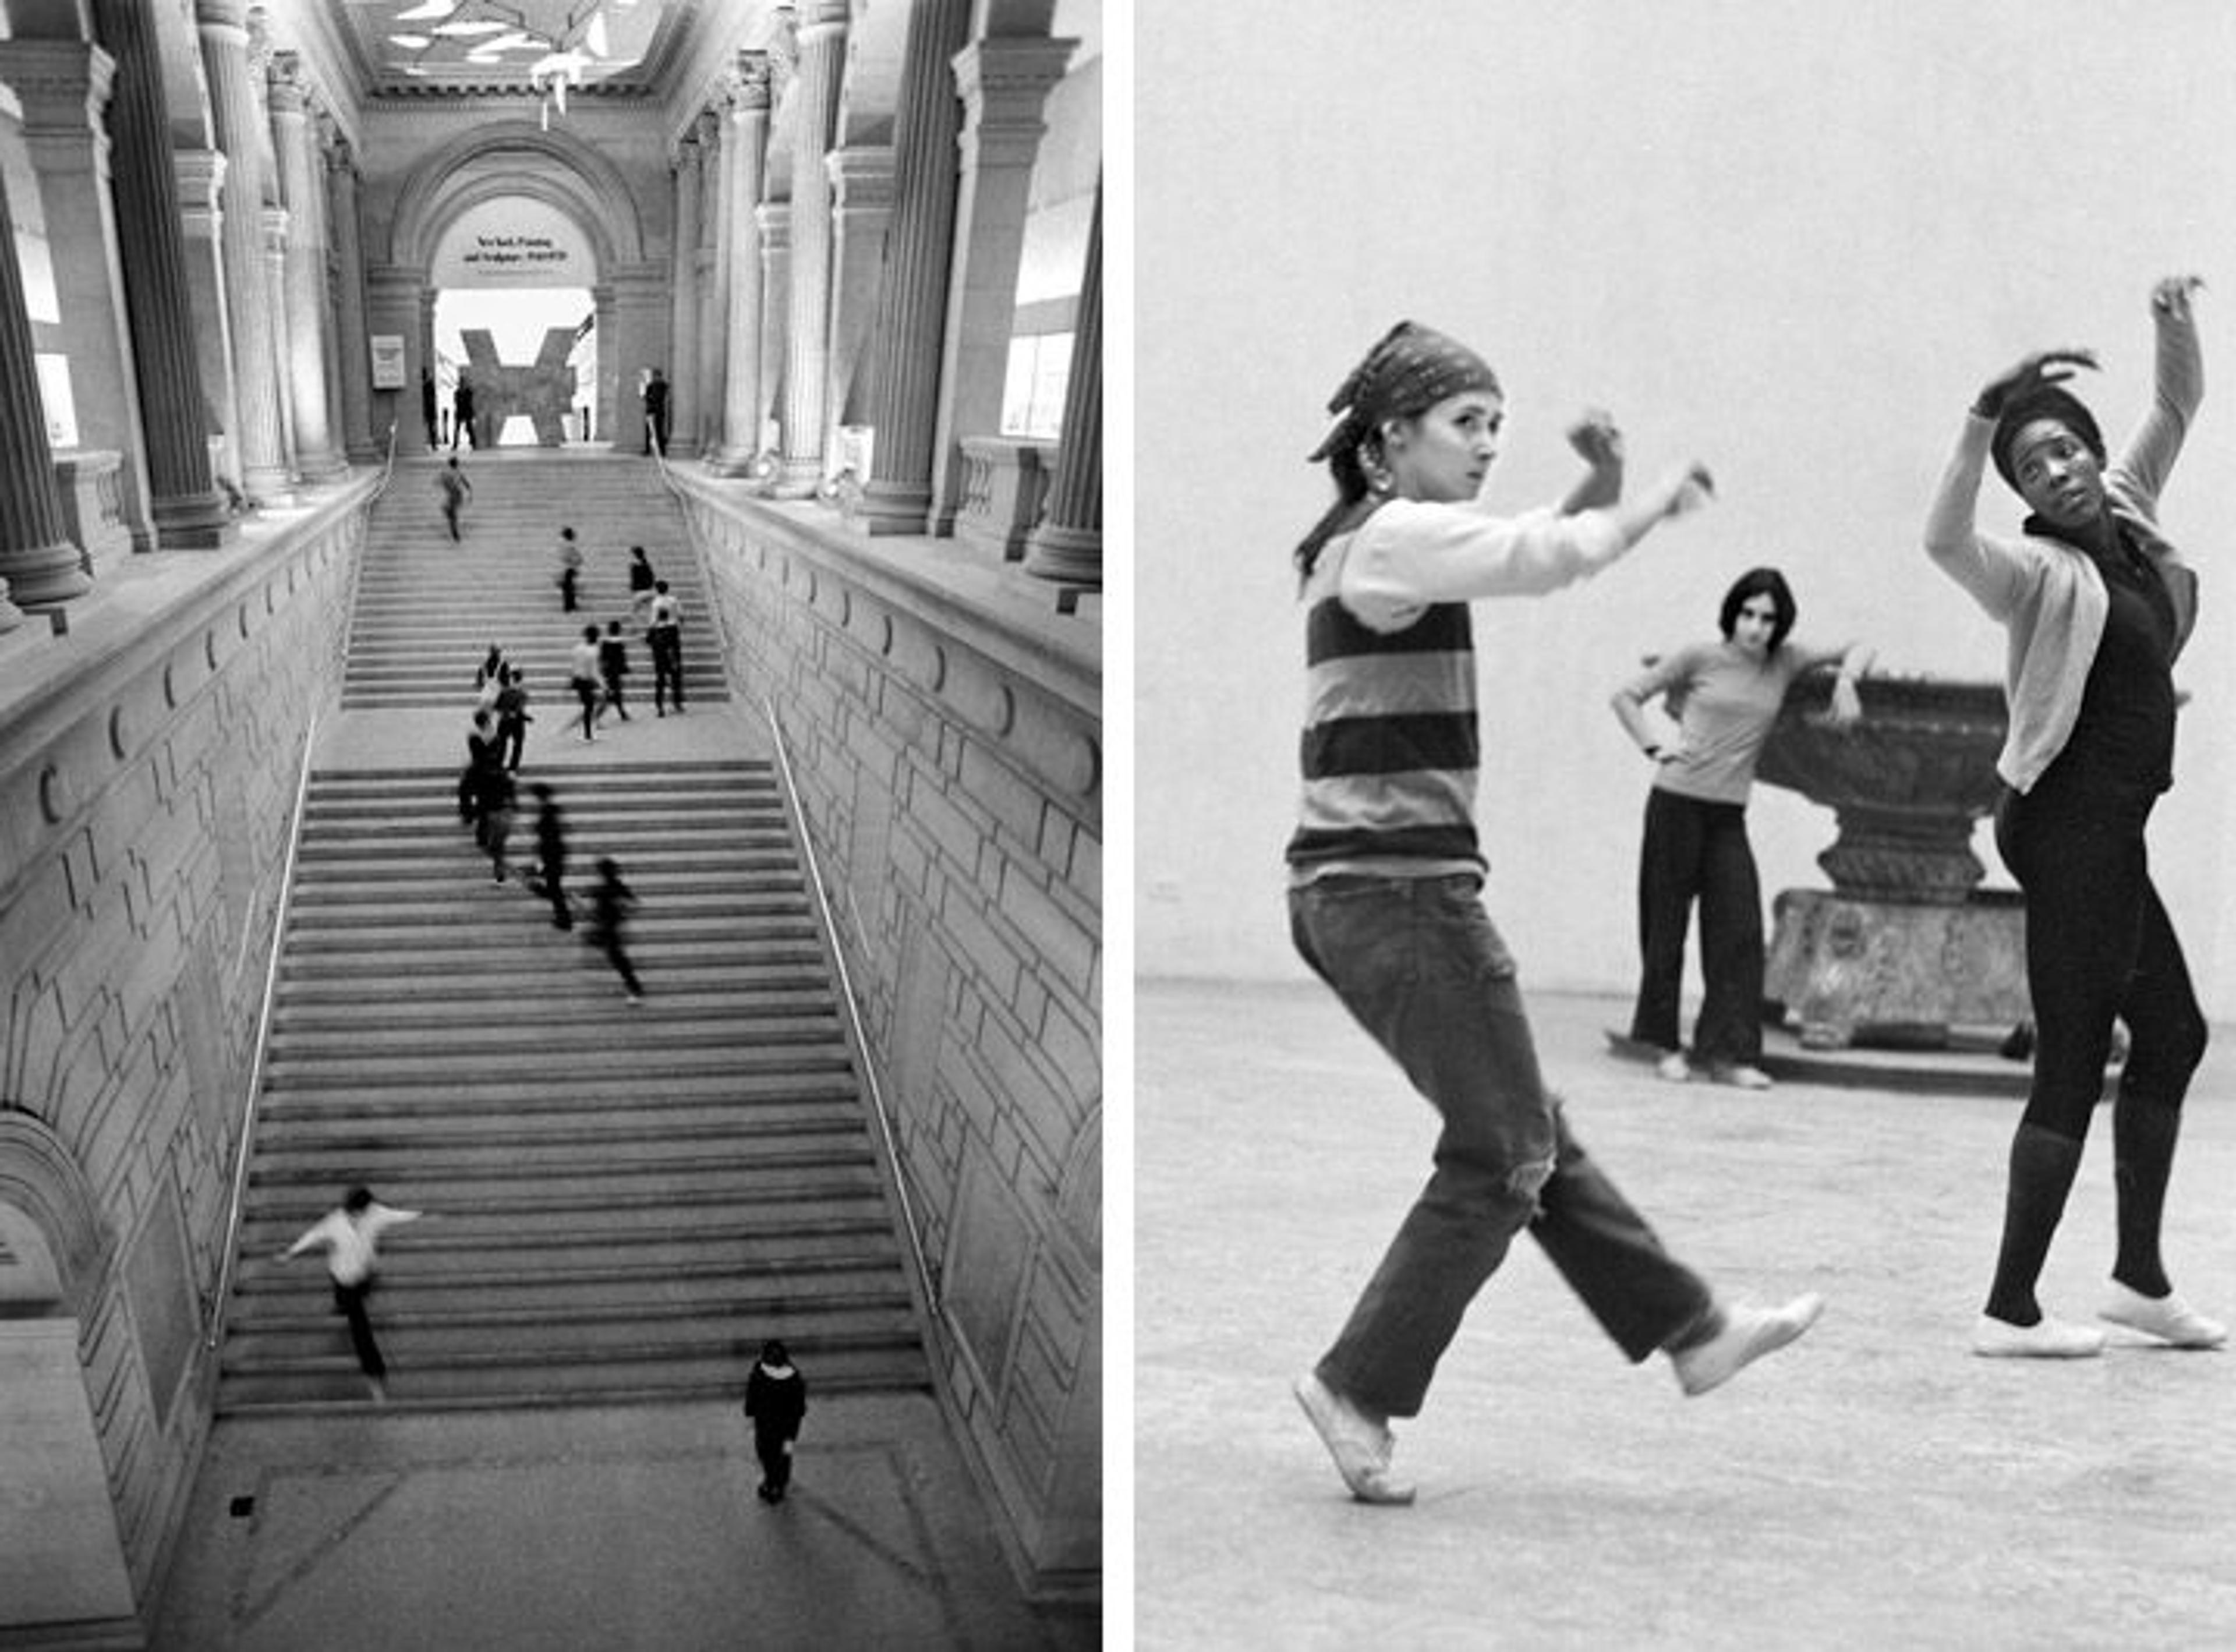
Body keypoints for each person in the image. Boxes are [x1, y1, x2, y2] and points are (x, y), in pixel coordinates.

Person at [1283, 320, 1821, 1506]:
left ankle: (1693, 1328)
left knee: (1530, 1136)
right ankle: (1357, 1383)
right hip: (1399, 894)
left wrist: (1602, 489)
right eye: (1466, 424)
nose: (1485, 445)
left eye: (1496, 426)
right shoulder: (1390, 540)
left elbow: (1520, 545)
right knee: (1504, 1152)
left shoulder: (1367, 546)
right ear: (1387, 440)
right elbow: (1536, 554)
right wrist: (1646, 504)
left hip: (1366, 892)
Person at [1925, 274, 2223, 1360]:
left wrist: (2168, 321)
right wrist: (1980, 417)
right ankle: (2008, 1308)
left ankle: (2140, 1281)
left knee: (2177, 1034)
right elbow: (1944, 537)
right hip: (2065, 826)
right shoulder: (2032, 569)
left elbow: (2178, 406)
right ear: (2023, 489)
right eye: (2032, 464)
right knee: (2074, 1056)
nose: (2058, 471)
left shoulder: (2130, 516)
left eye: (2067, 450)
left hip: (2114, 828)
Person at [1610, 570, 1873, 1088]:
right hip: (1675, 804)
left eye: (1767, 617)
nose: (1755, 627)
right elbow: (1625, 695)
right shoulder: (1700, 657)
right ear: (1733, 613)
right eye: (1748, 614)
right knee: (1666, 927)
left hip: (1728, 815)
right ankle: (1663, 1044)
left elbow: (1860, 645)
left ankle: (1728, 1054)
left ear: (1780, 623)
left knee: (1740, 932)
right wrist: (1653, 747)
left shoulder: (1785, 662)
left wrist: (1846, 680)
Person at [277, 1186, 422, 1402]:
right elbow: (313, 1236)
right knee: (358, 1324)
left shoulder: (375, 1213)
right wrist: (291, 1253)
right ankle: (375, 1375)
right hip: (343, 1279)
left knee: (359, 1312)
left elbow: (397, 1216)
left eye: (362, 1212)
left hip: (364, 1275)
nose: (359, 1216)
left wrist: (422, 1216)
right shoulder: (335, 1222)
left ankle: (373, 1372)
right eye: (355, 1212)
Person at [744, 1340, 808, 1503]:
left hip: (765, 1425)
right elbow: (799, 1407)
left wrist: (750, 1414)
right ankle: (779, 1485)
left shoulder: (758, 1373)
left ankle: (770, 1482)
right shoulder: (794, 1377)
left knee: (765, 1453)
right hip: (789, 1428)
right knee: (785, 1454)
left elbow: (752, 1398)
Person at [588, 856, 643, 1003]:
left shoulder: (608, 888)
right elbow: (635, 905)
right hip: (611, 927)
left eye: (599, 871)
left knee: (619, 959)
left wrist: (620, 907)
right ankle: (634, 988)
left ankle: (635, 989)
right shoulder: (615, 886)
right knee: (618, 958)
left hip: (612, 928)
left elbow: (633, 905)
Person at [529, 783, 571, 930]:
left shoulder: (548, 812)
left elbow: (547, 834)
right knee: (554, 886)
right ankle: (562, 917)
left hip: (551, 855)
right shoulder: (551, 810)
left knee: (554, 888)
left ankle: (564, 919)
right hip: (555, 854)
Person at [647, 580, 685, 716]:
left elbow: (653, 622)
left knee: (661, 673)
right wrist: (678, 627)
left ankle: (660, 707)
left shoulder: (656, 603)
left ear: (657, 590)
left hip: (660, 638)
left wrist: (649, 634)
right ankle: (678, 703)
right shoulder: (674, 600)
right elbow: (681, 616)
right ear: (667, 589)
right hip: (673, 635)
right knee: (675, 670)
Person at [493, 666, 530, 773]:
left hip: (504, 721)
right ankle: (513, 767)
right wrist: (527, 718)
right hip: (517, 723)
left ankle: (498, 764)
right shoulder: (523, 694)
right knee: (517, 745)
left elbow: (496, 707)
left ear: (512, 678)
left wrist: (505, 712)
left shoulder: (504, 692)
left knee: (502, 745)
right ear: (521, 679)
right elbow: (519, 710)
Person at [569, 624, 602, 742]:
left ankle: (588, 732)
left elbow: (574, 666)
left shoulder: (578, 648)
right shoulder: (593, 651)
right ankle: (587, 734)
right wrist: (603, 685)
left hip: (579, 680)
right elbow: (595, 671)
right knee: (589, 707)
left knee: (589, 706)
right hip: (586, 681)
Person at [597, 619, 632, 725]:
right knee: (612, 695)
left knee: (615, 693)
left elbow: (602, 657)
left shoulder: (605, 643)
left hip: (608, 672)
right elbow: (622, 659)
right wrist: (625, 669)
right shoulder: (619, 643)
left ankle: (622, 713)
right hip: (615, 672)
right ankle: (597, 716)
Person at [438, 457, 472, 542]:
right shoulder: (458, 473)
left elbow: (439, 482)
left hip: (452, 496)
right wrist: (470, 494)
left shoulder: (445, 473)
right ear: (457, 464)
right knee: (452, 515)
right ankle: (454, 531)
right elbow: (467, 484)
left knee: (452, 515)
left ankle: (454, 530)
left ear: (449, 464)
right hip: (456, 495)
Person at [627, 545, 657, 627]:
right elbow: (652, 579)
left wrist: (633, 590)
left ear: (635, 555)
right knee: (650, 612)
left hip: (640, 593)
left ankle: (635, 628)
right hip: (650, 592)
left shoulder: (634, 566)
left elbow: (634, 582)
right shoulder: (647, 564)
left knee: (633, 612)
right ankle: (652, 627)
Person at [642, 367, 669, 455]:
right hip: (656, 410)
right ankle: (658, 450)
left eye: (655, 376)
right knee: (655, 431)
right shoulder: (659, 385)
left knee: (656, 431)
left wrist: (647, 396)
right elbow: (648, 396)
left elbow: (652, 397)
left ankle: (656, 450)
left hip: (654, 411)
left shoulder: (658, 385)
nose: (655, 378)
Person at [556, 526, 583, 613]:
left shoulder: (563, 544)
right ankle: (569, 606)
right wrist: (577, 561)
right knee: (569, 588)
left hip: (566, 569)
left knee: (568, 588)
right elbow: (574, 558)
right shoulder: (569, 546)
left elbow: (564, 557)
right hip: (569, 569)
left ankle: (570, 605)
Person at [452, 372, 477, 451]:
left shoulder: (468, 391)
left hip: (467, 412)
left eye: (463, 383)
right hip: (460, 412)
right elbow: (456, 402)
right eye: (461, 383)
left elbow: (470, 401)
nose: (462, 384)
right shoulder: (457, 392)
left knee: (470, 429)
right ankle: (455, 444)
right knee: (457, 429)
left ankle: (474, 443)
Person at [420, 367, 438, 448]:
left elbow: (432, 397)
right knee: (431, 427)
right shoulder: (425, 384)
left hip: (428, 408)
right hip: (428, 408)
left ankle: (433, 444)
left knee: (431, 427)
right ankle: (432, 444)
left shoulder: (427, 384)